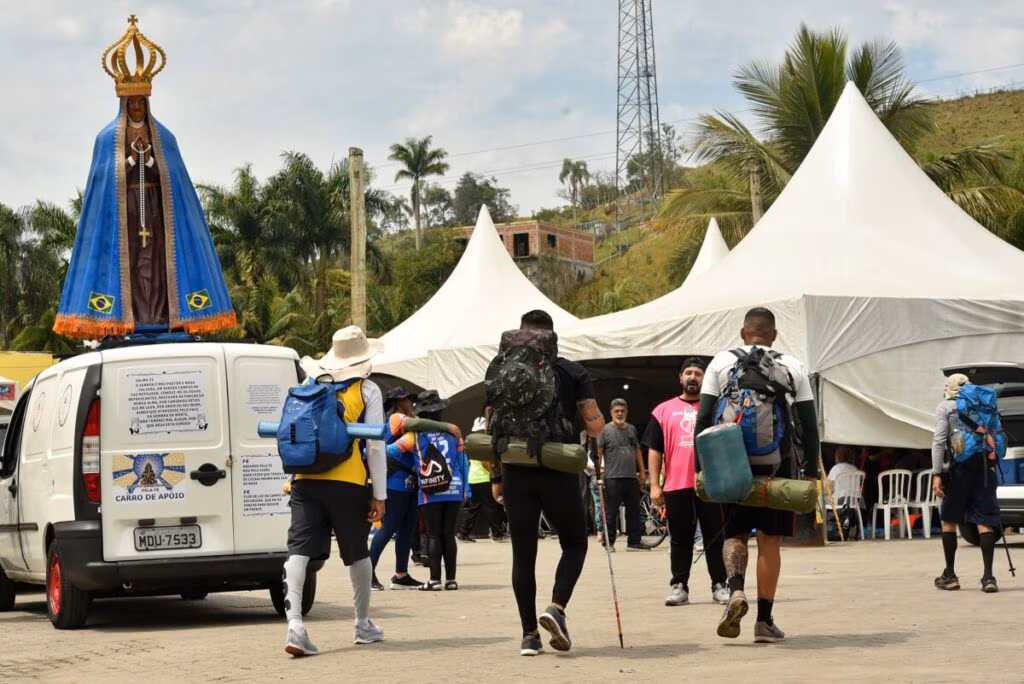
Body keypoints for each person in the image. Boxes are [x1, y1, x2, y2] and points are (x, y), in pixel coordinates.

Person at [55, 15, 234, 338]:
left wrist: (149, 157)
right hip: (123, 214)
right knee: (133, 264)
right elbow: (106, 181)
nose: (137, 107)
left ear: (146, 102)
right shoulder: (106, 138)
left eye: (141, 102)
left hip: (155, 210)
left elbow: (173, 180)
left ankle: (165, 313)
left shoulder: (164, 138)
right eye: (132, 102)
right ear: (124, 103)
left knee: (155, 262)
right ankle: (127, 316)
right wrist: (129, 157)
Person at [696, 307, 820, 644]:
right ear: (774, 335)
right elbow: (809, 425)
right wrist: (811, 472)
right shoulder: (792, 366)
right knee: (770, 541)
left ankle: (736, 590)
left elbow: (704, 418)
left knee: (734, 532)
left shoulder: (720, 363)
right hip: (777, 464)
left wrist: (701, 468)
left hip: (730, 460)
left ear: (742, 333)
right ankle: (764, 621)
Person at [488, 309, 605, 656]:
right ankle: (556, 608)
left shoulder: (500, 369)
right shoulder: (570, 371)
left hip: (514, 470)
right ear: (552, 337)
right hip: (556, 469)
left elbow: (492, 425)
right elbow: (595, 425)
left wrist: (496, 476)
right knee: (574, 544)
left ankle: (528, 636)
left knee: (523, 555)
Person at [283, 326, 388, 656]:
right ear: (365, 359)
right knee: (357, 552)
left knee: (297, 550)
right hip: (348, 482)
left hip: (304, 478)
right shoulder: (368, 389)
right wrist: (380, 495)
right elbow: (374, 446)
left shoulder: (307, 385)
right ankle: (362, 623)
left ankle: (295, 626)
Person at [644, 357, 729, 607]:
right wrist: (654, 485)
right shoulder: (663, 410)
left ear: (705, 379)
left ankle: (719, 585)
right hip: (676, 485)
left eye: (698, 374)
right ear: (680, 378)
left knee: (715, 537)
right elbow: (654, 450)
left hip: (711, 485)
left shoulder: (716, 409)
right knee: (680, 538)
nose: (693, 377)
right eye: (688, 373)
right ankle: (679, 586)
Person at [369, 386, 463, 591]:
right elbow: (398, 443)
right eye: (406, 399)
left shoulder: (415, 427)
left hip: (412, 483)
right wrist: (447, 426)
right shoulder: (396, 418)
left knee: (407, 529)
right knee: (388, 527)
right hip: (395, 481)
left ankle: (401, 574)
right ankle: (367, 573)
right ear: (395, 403)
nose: (411, 403)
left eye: (412, 399)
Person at [932, 373, 1002, 593]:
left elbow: (939, 441)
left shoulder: (945, 407)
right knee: (984, 522)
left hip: (959, 471)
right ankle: (988, 577)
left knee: (950, 520)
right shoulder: (985, 404)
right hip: (985, 470)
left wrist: (936, 473)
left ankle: (950, 576)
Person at [597, 398, 648, 551]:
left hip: (631, 477)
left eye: (622, 411)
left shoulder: (632, 429)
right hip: (612, 477)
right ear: (611, 413)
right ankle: (609, 543)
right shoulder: (604, 430)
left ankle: (634, 542)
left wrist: (643, 472)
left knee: (634, 511)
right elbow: (598, 452)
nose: (619, 413)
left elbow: (637, 451)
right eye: (616, 411)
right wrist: (598, 476)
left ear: (626, 412)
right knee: (611, 513)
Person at [458, 417, 508, 542]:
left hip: (473, 479)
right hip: (483, 479)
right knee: (492, 507)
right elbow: (485, 462)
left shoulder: (472, 442)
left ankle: (463, 532)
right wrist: (494, 473)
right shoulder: (483, 442)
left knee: (474, 508)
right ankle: (498, 534)